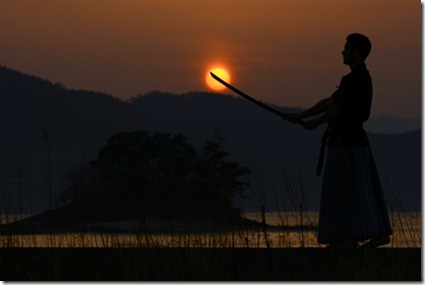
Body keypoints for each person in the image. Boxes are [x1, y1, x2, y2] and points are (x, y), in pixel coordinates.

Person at [286, 33, 392, 248]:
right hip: (348, 143)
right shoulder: (354, 79)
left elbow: (337, 108)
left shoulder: (357, 79)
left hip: (350, 145)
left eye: (346, 48)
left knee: (350, 190)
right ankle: (347, 236)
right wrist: (301, 115)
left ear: (356, 52)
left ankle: (353, 236)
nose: (342, 52)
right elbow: (329, 102)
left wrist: (314, 123)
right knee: (350, 189)